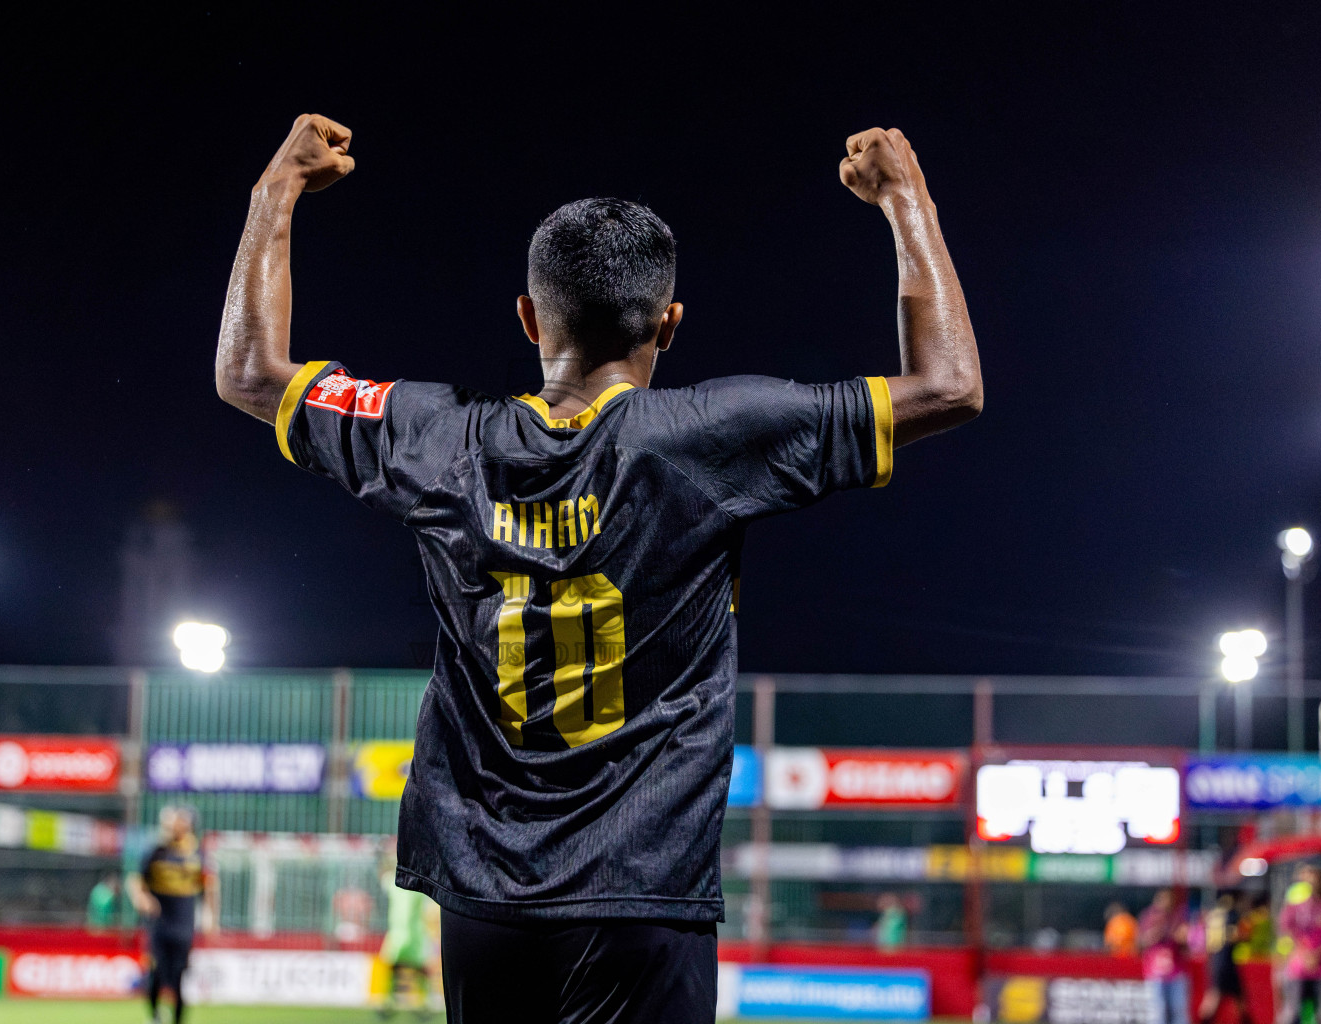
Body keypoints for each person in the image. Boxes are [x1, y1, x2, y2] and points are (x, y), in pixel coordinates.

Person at [215, 114, 981, 1024]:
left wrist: (276, 192)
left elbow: (250, 373)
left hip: (482, 896)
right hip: (642, 893)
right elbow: (950, 386)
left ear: (530, 317)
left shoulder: (435, 437)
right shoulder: (715, 435)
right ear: (671, 322)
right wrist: (907, 201)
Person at [127, 806, 217, 1024]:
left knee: (179, 976)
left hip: (184, 925)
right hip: (159, 924)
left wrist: (210, 915)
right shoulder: (156, 850)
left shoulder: (197, 853)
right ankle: (156, 1016)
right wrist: (142, 898)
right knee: (156, 972)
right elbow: (135, 880)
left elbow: (210, 885)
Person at [379, 857, 438, 1020]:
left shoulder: (406, 884)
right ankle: (391, 1002)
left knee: (419, 968)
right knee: (394, 967)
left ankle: (424, 1003)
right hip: (401, 932)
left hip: (411, 933)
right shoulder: (396, 882)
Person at [1279, 865, 1321, 1024]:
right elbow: (1286, 926)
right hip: (1299, 967)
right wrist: (1303, 951)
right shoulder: (1295, 898)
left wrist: (1315, 954)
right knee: (1294, 1013)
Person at [1200, 891, 1254, 1024]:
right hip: (1226, 961)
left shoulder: (1214, 916)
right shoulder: (1231, 915)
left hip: (1216, 960)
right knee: (1217, 997)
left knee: (1233, 997)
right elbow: (1237, 935)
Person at [1138, 888, 1190, 1024]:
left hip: (1176, 972)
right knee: (1157, 1011)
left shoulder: (1177, 918)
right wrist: (1161, 929)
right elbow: (1142, 942)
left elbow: (1186, 944)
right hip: (1155, 972)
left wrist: (1181, 936)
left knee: (1178, 1010)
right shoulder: (1149, 917)